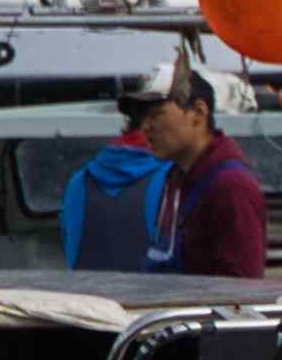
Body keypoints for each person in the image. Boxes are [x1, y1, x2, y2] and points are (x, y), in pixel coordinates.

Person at [66, 75, 268, 278]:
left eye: (156, 115)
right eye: (143, 117)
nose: (145, 127)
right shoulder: (176, 178)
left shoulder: (231, 187)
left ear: (198, 112)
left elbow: (242, 288)